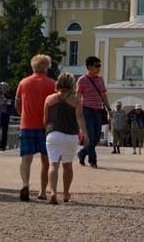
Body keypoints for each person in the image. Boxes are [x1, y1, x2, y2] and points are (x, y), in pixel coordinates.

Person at [15, 54, 56, 202]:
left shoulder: (23, 83)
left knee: (26, 159)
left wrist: (23, 114)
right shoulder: (53, 84)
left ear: (33, 66)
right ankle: (43, 191)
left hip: (27, 124)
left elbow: (17, 104)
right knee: (46, 160)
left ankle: (25, 184)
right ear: (47, 67)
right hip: (46, 126)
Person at [43, 73, 87, 204]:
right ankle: (66, 194)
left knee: (53, 165)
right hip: (70, 136)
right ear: (71, 85)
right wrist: (84, 133)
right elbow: (79, 117)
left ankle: (53, 192)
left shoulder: (49, 99)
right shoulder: (76, 100)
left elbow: (45, 119)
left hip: (53, 134)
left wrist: (48, 131)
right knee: (68, 166)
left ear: (58, 83)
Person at [76, 56, 110, 168]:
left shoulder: (100, 79)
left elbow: (104, 95)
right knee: (90, 136)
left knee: (96, 138)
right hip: (87, 111)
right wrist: (78, 110)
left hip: (98, 111)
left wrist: (109, 109)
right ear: (89, 67)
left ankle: (82, 153)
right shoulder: (82, 80)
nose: (99, 68)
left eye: (99, 65)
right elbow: (78, 96)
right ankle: (93, 161)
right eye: (97, 66)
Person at [0, 82, 13, 151]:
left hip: (5, 115)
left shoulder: (9, 95)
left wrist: (4, 99)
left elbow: (10, 103)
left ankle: (2, 146)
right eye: (2, 86)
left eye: (4, 87)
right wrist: (4, 101)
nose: (3, 88)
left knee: (4, 131)